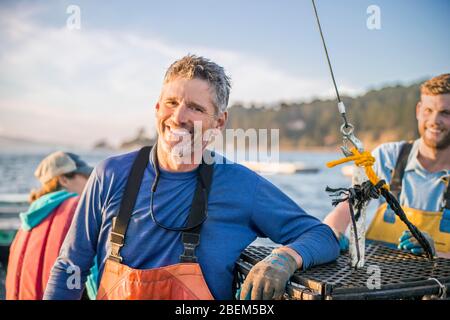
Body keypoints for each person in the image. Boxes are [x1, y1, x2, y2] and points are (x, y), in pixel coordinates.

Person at [43, 55, 339, 300]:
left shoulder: (241, 185)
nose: (178, 117)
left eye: (196, 108)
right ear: (157, 107)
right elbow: (71, 265)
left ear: (219, 122)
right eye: (171, 102)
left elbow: (322, 236)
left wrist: (284, 258)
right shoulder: (110, 175)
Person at [324, 73, 450, 258]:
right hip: (376, 278)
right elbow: (348, 206)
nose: (434, 121)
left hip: (436, 282)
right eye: (428, 110)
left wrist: (434, 252)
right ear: (418, 110)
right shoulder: (388, 157)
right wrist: (331, 234)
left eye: (446, 113)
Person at [5, 151, 97, 299]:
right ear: (64, 180)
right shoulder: (80, 209)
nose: (92, 183)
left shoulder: (29, 218)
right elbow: (95, 281)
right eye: (87, 177)